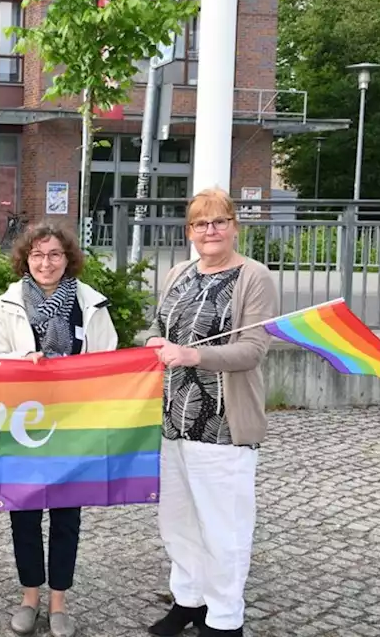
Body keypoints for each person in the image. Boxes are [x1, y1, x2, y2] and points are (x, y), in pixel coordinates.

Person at [0, 220, 118, 637]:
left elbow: (106, 360)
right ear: (26, 259)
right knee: (24, 511)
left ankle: (59, 600)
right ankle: (29, 596)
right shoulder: (9, 302)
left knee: (67, 514)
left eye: (54, 254)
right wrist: (22, 360)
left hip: (73, 424)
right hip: (23, 423)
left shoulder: (90, 303)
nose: (46, 262)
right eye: (37, 254)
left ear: (67, 258)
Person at [145, 188, 278, 637]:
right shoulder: (179, 272)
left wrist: (193, 356)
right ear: (190, 232)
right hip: (173, 422)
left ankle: (224, 619)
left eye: (219, 221)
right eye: (201, 223)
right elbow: (158, 326)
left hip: (222, 425)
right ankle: (189, 600)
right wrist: (151, 341)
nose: (211, 230)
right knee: (178, 522)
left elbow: (253, 350)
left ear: (234, 227)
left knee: (224, 527)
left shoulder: (253, 277)